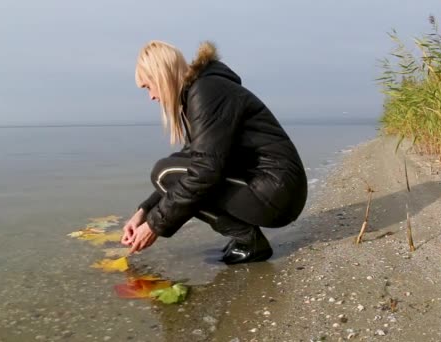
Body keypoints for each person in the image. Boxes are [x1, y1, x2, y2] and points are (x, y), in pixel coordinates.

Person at [120, 40, 308, 264]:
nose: (151, 96)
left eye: (148, 86)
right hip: (277, 190)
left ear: (161, 75)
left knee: (164, 173)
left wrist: (155, 225)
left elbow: (202, 173)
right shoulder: (204, 91)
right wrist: (144, 212)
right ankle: (245, 237)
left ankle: (249, 241)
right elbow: (191, 163)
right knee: (173, 173)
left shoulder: (206, 92)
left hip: (278, 192)